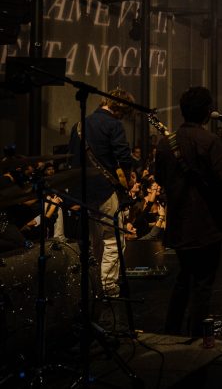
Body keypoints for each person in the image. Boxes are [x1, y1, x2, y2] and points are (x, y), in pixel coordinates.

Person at [154, 86, 222, 337]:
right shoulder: (210, 141)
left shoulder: (165, 144)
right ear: (207, 113)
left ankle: (170, 332)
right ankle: (196, 337)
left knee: (184, 279)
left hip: (179, 224)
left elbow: (159, 178)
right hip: (207, 224)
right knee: (203, 284)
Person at [68, 87, 136, 297]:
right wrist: (128, 176)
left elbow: (73, 160)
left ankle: (94, 286)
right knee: (114, 239)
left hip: (83, 191)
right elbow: (124, 157)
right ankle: (107, 286)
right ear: (120, 109)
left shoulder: (78, 125)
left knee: (95, 240)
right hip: (105, 190)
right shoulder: (113, 124)